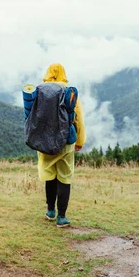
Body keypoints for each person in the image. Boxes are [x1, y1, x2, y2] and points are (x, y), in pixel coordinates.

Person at [37, 63, 86, 228]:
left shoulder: (40, 90)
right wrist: (79, 140)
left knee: (50, 174)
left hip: (44, 140)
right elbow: (78, 117)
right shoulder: (69, 91)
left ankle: (50, 211)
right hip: (65, 141)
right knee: (64, 177)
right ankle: (61, 217)